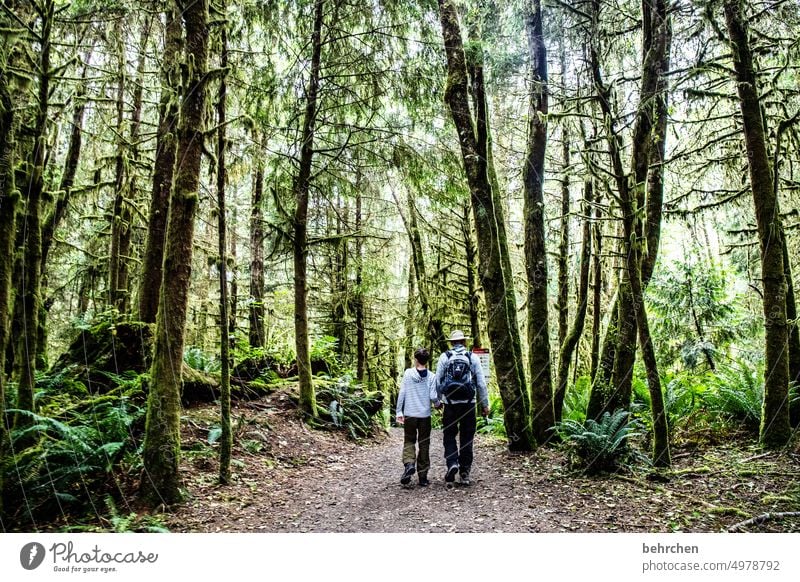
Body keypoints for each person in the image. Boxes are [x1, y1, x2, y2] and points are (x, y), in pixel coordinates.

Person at [431, 330, 489, 486]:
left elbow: (438, 381)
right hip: (469, 404)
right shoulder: (472, 357)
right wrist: (485, 405)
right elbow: (481, 384)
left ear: (452, 343)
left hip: (450, 405)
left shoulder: (445, 357)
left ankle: (452, 464)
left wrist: (438, 400)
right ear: (464, 342)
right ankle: (464, 473)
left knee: (449, 435)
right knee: (467, 438)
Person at [396, 347, 435, 487]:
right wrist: (437, 403)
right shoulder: (431, 376)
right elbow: (433, 396)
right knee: (424, 443)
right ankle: (423, 477)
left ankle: (409, 464)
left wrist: (399, 411)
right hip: (425, 415)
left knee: (409, 441)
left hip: (410, 414)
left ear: (416, 359)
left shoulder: (408, 373)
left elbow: (403, 392)